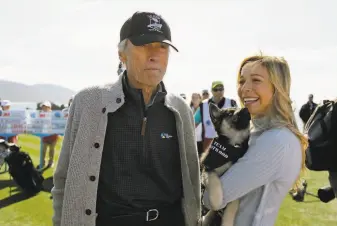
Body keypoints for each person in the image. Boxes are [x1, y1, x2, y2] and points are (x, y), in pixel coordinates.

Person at [52, 11, 200, 226]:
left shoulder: (180, 109)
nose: (154, 54)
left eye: (162, 46)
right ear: (122, 54)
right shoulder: (89, 102)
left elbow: (192, 182)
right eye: (144, 44)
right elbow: (64, 179)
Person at [202, 55, 308, 225]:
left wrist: (210, 172)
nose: (245, 88)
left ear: (277, 87)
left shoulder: (277, 140)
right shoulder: (256, 132)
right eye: (242, 81)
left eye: (256, 80)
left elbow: (211, 200)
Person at [194, 81, 237, 154]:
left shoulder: (232, 103)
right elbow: (193, 124)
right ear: (211, 91)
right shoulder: (203, 106)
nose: (219, 91)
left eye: (221, 89)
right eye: (216, 89)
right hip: (208, 144)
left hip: (228, 143)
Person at [40, 101, 59, 168]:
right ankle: (42, 162)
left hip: (53, 135)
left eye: (45, 107)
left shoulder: (54, 115)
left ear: (49, 107)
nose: (44, 108)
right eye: (43, 107)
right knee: (43, 150)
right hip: (44, 135)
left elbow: (57, 124)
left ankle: (50, 162)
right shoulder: (40, 114)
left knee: (51, 150)